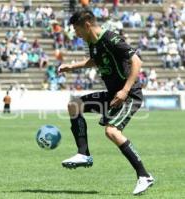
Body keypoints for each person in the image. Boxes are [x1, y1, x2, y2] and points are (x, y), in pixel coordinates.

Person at [58, 10, 154, 195]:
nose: (75, 33)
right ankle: (84, 154)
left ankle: (144, 175)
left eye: (76, 29)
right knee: (74, 106)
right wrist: (73, 66)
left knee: (111, 131)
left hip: (129, 94)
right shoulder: (92, 43)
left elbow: (136, 61)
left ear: (86, 24)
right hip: (112, 94)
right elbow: (95, 60)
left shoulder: (110, 38)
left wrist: (125, 90)